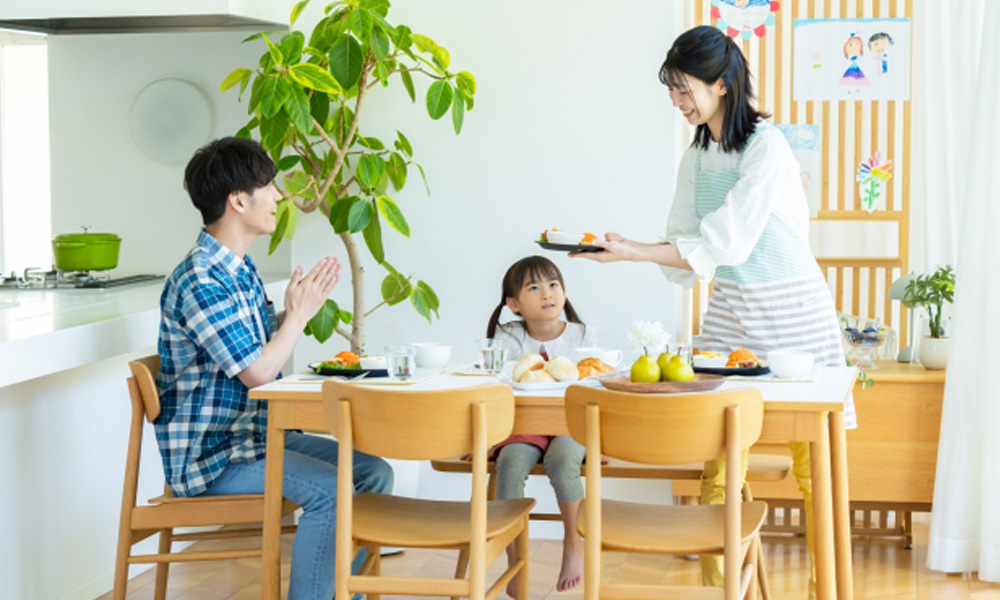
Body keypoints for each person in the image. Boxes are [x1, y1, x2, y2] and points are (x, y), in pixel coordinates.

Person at [572, 25, 855, 599]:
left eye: (685, 90)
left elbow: (724, 241)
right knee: (719, 467)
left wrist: (634, 252)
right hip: (730, 317)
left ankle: (825, 589)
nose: (677, 102)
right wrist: (632, 250)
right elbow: (684, 241)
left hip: (794, 316)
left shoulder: (766, 148)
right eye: (672, 91)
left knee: (814, 471)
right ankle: (719, 592)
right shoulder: (698, 155)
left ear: (721, 85)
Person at [154, 136, 393, 600]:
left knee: (373, 473)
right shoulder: (201, 278)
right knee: (331, 493)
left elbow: (255, 343)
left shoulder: (238, 269)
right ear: (239, 200)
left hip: (256, 439)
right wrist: (298, 317)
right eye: (268, 186)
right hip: (214, 458)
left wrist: (297, 309)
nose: (279, 196)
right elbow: (257, 372)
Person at [486, 255, 595, 594]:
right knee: (509, 464)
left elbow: (597, 388)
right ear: (514, 304)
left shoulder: (581, 336)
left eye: (553, 284)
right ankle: (514, 560)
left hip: (570, 424)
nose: (547, 293)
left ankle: (573, 543)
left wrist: (600, 441)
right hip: (522, 425)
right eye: (534, 288)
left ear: (564, 292)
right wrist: (488, 438)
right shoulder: (507, 337)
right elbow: (494, 387)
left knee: (562, 462)